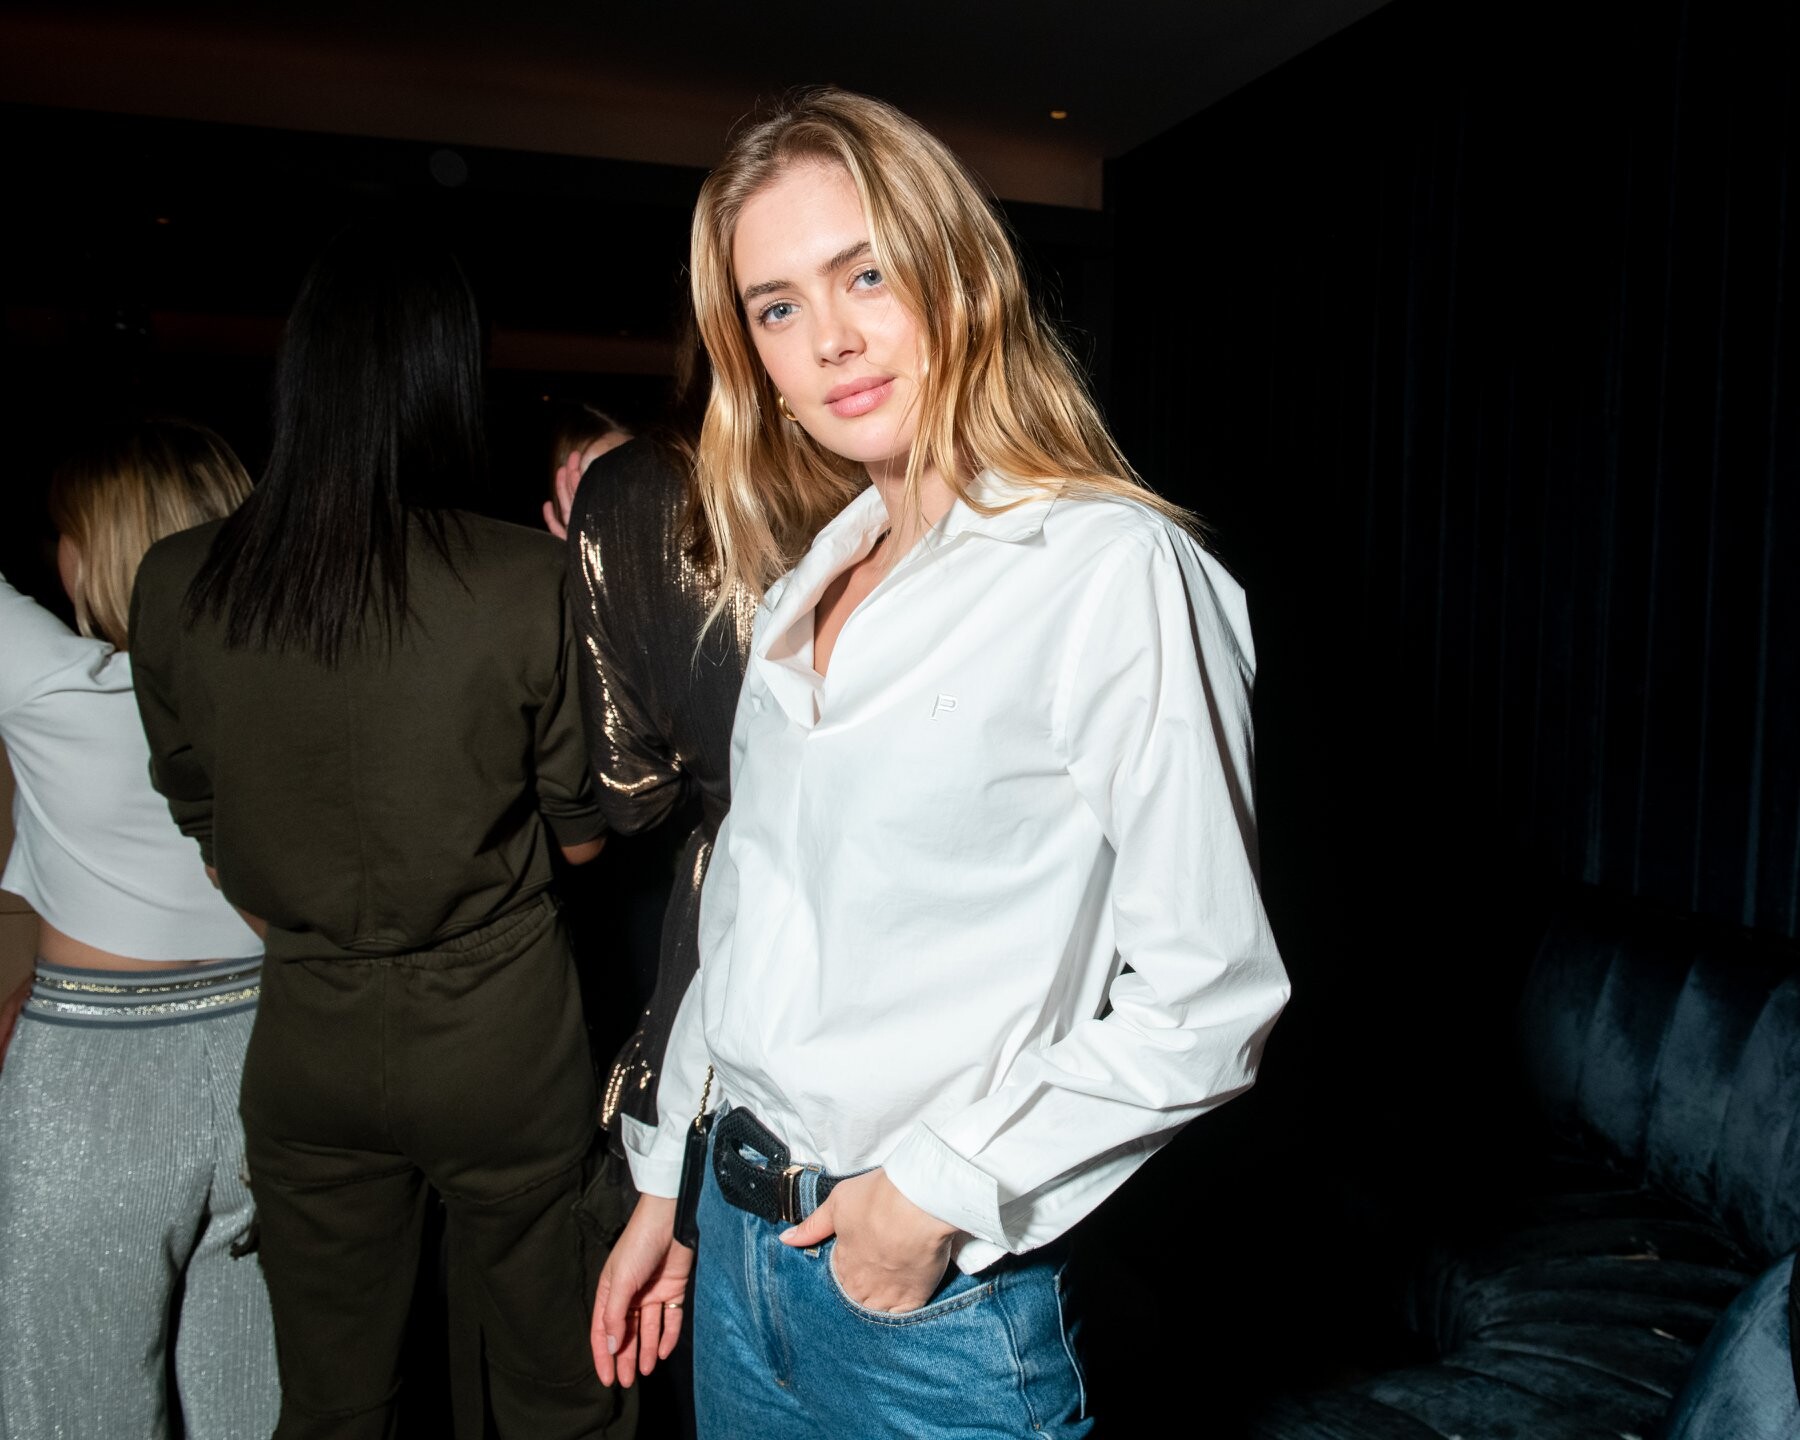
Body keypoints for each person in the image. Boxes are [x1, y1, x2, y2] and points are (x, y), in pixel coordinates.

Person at [591, 87, 1291, 1436]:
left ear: (960, 277)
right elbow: (746, 919)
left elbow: (1213, 995)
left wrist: (929, 1201)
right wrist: (668, 1184)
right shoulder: (806, 584)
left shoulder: (1110, 570)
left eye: (867, 274)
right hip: (735, 1257)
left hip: (927, 1306)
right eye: (777, 306)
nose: (831, 338)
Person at [130, 225, 626, 1440]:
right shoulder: (522, 578)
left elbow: (206, 822)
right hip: (504, 1035)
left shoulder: (180, 580)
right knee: (560, 1392)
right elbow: (583, 841)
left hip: (308, 1031)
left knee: (335, 1404)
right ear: (448, 377)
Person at [0, 417, 278, 1439]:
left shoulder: (49, 679)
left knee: (75, 1412)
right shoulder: (287, 684)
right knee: (255, 1410)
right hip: (270, 1060)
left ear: (99, 548)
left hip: (95, 1082)